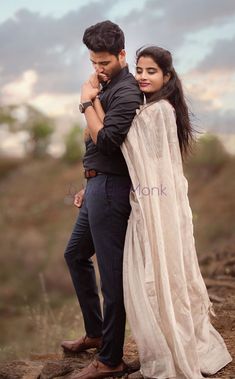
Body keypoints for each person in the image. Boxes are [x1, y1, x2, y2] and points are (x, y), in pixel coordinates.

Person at [120, 46, 232, 378]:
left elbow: (120, 141)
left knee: (161, 274)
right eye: (139, 70)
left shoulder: (159, 112)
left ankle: (173, 346)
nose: (142, 76)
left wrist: (89, 104)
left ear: (167, 76)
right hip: (156, 200)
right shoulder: (155, 109)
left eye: (151, 71)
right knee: (160, 272)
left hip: (160, 203)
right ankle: (169, 341)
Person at [61, 20, 142, 379]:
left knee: (111, 277)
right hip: (96, 186)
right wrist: (87, 182)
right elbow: (99, 151)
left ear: (122, 54)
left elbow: (109, 142)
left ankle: (111, 359)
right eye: (93, 62)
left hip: (112, 191)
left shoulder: (126, 91)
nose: (98, 69)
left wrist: (86, 100)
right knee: (75, 254)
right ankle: (96, 334)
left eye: (105, 62)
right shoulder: (106, 86)